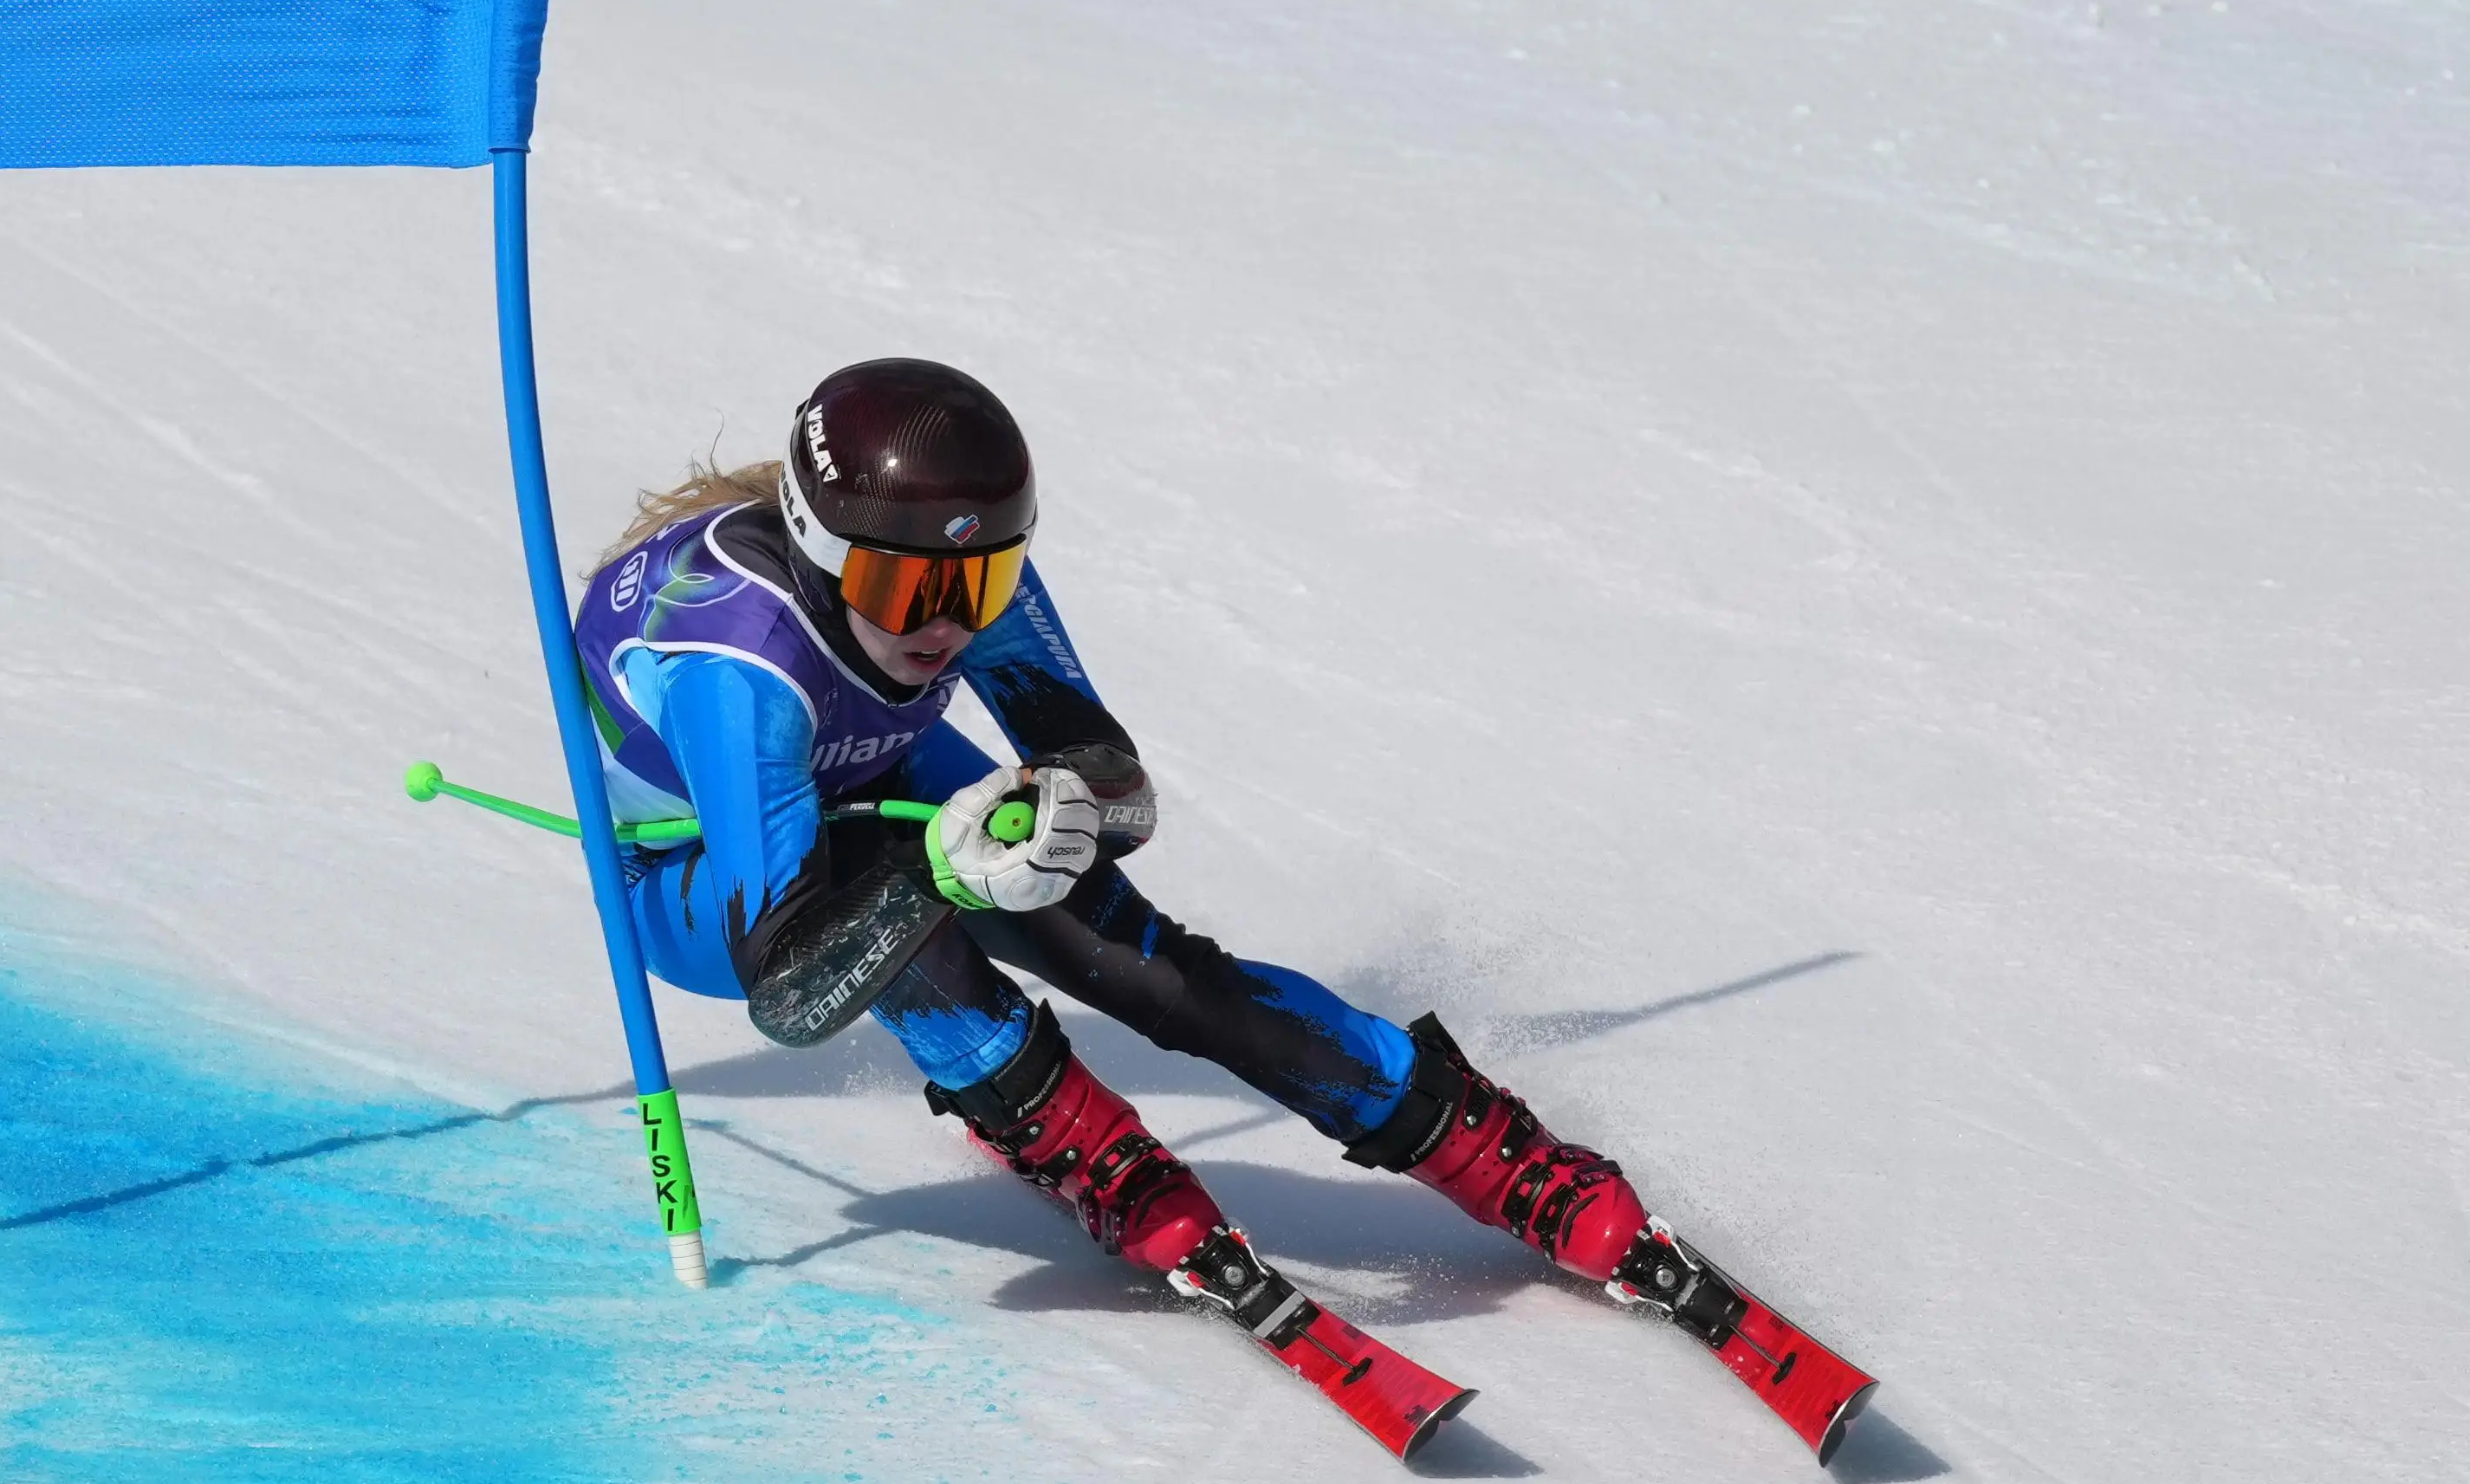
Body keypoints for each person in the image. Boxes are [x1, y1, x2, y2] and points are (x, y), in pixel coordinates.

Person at [569, 353, 1667, 1304]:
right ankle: (1083, 1149)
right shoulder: (737, 672)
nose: (946, 624)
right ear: (821, 552)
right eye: (903, 593)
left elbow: (1115, 788)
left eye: (982, 580)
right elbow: (790, 990)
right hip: (690, 880)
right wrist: (943, 877)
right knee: (909, 925)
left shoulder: (952, 577)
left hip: (870, 768)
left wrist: (1059, 819)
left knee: (1120, 948)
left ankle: (1470, 1138)